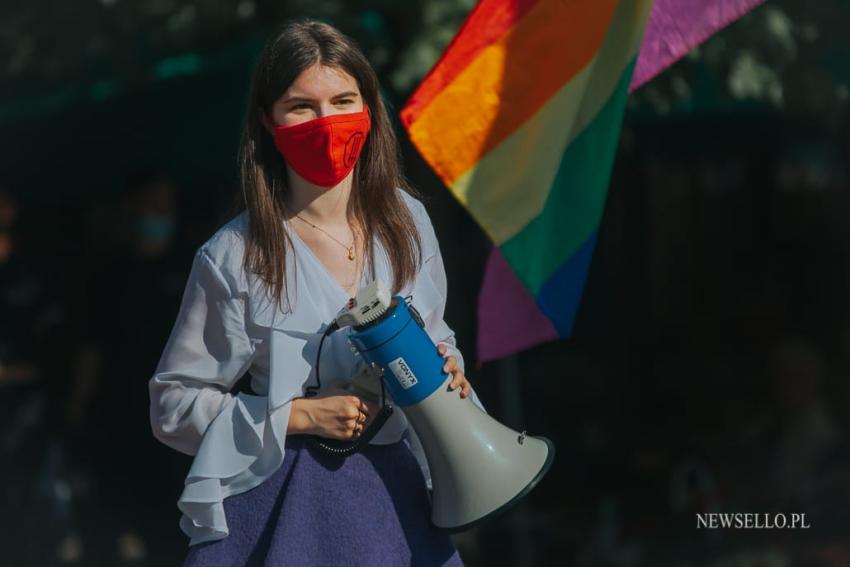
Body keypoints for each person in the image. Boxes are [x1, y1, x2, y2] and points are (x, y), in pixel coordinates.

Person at [149, 20, 482, 566]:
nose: (326, 121)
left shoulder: (409, 221)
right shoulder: (234, 253)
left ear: (369, 109)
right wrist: (296, 415)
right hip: (283, 510)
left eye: (343, 100)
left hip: (398, 506)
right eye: (301, 106)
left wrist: (447, 368)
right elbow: (172, 404)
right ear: (267, 121)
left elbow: (439, 334)